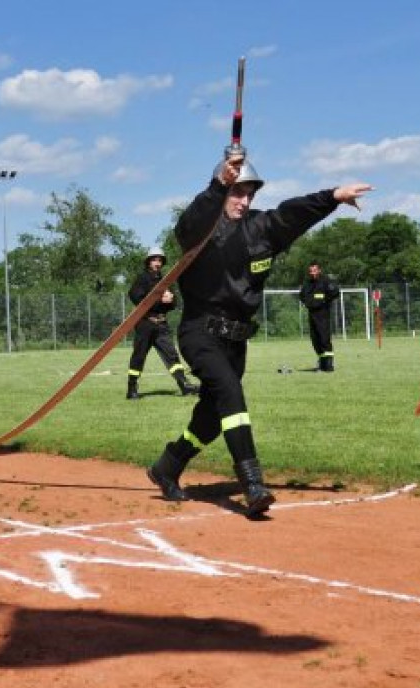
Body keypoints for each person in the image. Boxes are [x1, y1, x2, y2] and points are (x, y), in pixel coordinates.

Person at [146, 152, 372, 517]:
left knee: (210, 417)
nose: (244, 200)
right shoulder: (201, 231)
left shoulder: (261, 230)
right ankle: (253, 484)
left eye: (249, 194)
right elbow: (187, 224)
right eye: (237, 192)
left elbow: (292, 214)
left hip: (236, 342)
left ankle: (167, 466)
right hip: (200, 333)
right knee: (231, 394)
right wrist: (218, 184)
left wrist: (331, 197)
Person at [126, 247, 199, 399]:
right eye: (154, 259)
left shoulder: (165, 280)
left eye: (160, 260)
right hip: (145, 323)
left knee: (172, 355)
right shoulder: (142, 279)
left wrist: (170, 300)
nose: (157, 263)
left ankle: (183, 384)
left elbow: (173, 303)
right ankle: (132, 389)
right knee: (139, 356)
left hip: (161, 325)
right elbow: (134, 296)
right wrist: (159, 300)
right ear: (148, 262)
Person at [299, 261, 341, 371]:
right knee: (315, 339)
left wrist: (324, 301)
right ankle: (322, 363)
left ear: (319, 270)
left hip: (323, 314)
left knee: (324, 338)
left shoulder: (326, 281)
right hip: (312, 313)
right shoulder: (307, 283)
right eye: (311, 271)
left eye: (314, 270)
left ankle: (329, 364)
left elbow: (335, 292)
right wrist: (307, 303)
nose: (312, 273)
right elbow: (302, 295)